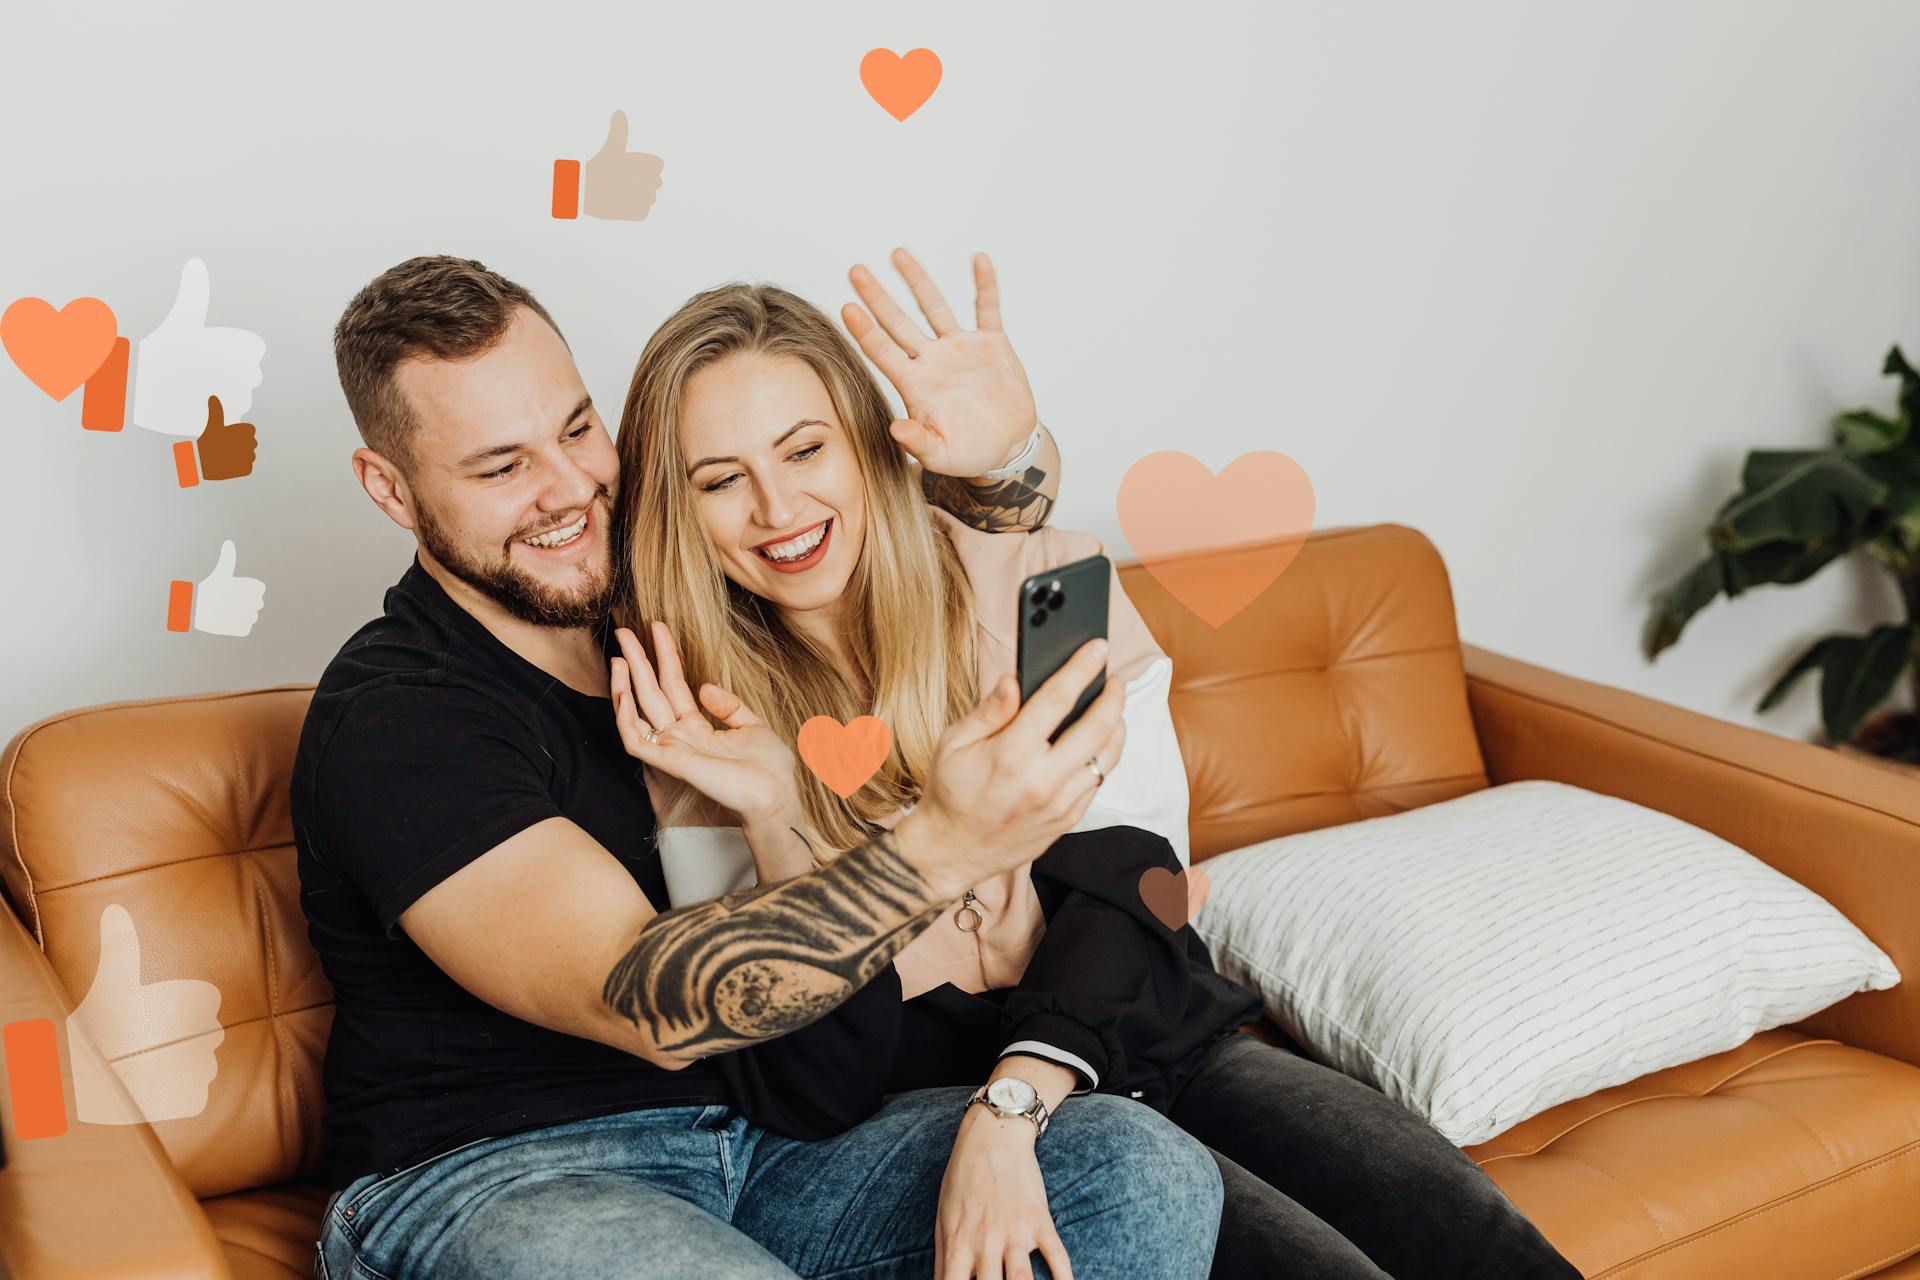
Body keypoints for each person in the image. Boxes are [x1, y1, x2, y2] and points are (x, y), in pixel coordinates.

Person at [609, 262, 1588, 1280]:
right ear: (680, 511)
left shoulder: (1045, 583)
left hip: (1140, 1028)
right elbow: (812, 1084)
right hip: (934, 1105)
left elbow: (1132, 876)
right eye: (719, 479)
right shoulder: (695, 726)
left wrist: (1016, 1099)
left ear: (867, 440)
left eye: (804, 448)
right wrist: (774, 817)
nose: (777, 505)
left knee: (1473, 1238)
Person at [294, 252, 1226, 1280]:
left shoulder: (658, 613)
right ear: (389, 485)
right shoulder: (399, 714)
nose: (568, 490)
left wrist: (1009, 461)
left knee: (1138, 1169)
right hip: (499, 1173)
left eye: (574, 428)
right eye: (500, 465)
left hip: (763, 1145)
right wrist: (940, 848)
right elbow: (654, 1003)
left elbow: (879, 539)